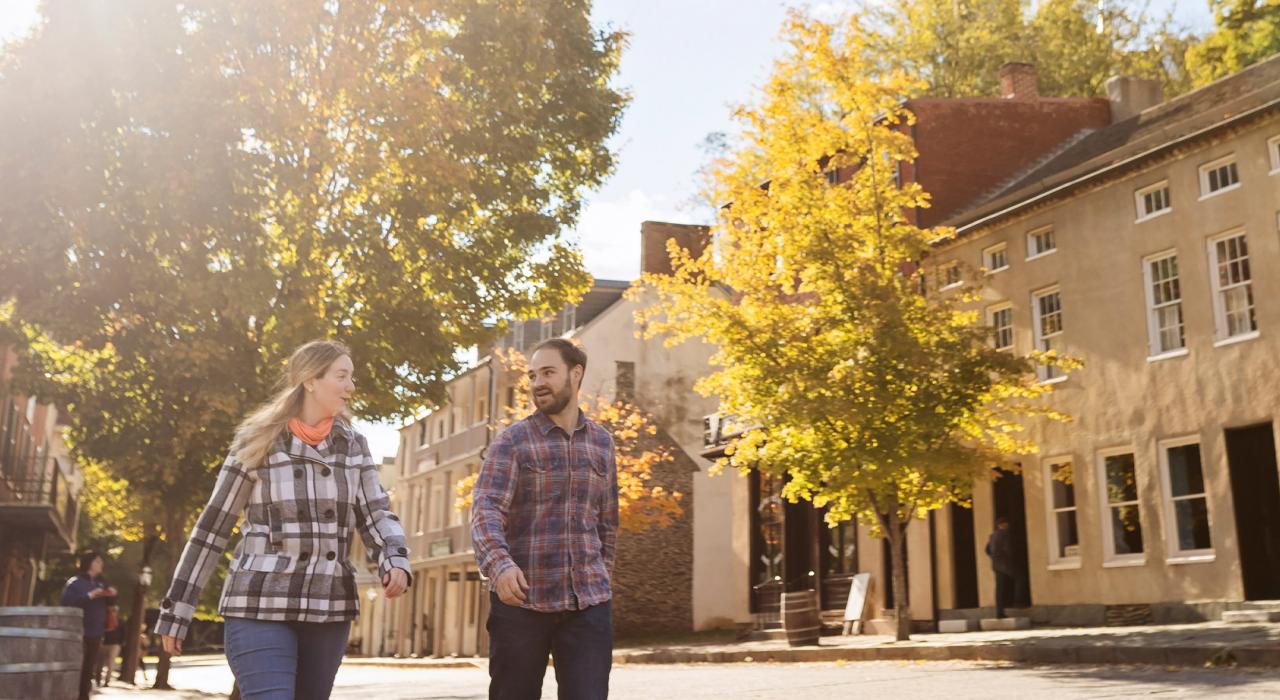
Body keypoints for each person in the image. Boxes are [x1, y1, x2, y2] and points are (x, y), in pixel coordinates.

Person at [154, 340, 411, 700]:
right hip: (258, 602)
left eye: (352, 377)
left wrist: (393, 557)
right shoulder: (258, 440)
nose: (351, 387)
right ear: (310, 380)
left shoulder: (354, 446)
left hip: (327, 607)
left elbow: (376, 513)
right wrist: (178, 608)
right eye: (342, 376)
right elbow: (211, 529)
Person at [472, 338, 619, 700]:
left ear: (576, 373)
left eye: (548, 373)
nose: (538, 383)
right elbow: (485, 510)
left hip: (587, 606)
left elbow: (608, 522)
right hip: (521, 604)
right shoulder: (512, 442)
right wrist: (500, 566)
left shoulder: (603, 443)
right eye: (533, 375)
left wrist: (601, 575)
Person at [60, 550, 118, 700]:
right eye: (98, 561)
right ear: (89, 563)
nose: (101, 564)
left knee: (88, 669)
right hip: (78, 632)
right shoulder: (75, 583)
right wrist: (89, 596)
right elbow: (67, 604)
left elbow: (110, 604)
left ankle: (84, 697)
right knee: (76, 667)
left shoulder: (102, 582)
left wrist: (112, 594)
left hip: (96, 632)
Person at [985, 516, 1027, 618]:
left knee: (999, 588)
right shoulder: (1006, 534)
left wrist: (993, 557)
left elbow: (987, 550)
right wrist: (1011, 559)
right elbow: (1009, 549)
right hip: (1006, 563)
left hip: (996, 564)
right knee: (1021, 577)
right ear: (1003, 524)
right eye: (1006, 523)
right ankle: (1018, 601)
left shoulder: (992, 536)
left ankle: (999, 612)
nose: (1008, 525)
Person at [96, 602, 123, 687]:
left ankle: (106, 681)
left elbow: (124, 633)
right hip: (105, 644)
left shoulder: (120, 621)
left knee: (109, 663)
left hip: (113, 645)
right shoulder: (104, 620)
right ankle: (99, 680)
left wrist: (120, 643)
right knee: (101, 664)